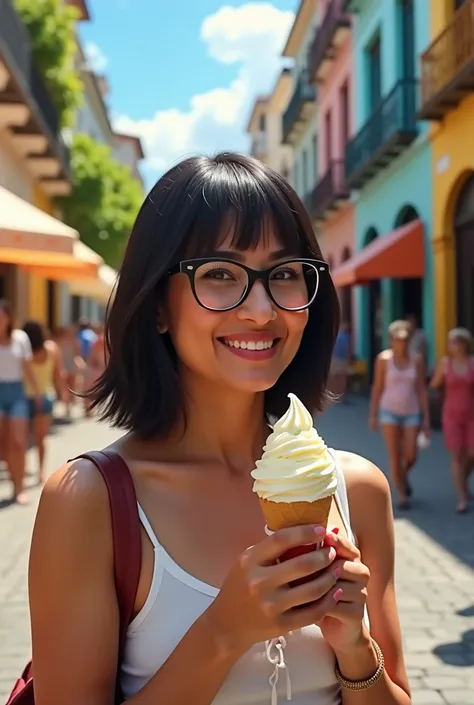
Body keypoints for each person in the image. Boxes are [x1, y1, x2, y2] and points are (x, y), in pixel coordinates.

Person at [29, 154, 410, 705]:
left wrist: (355, 649)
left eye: (283, 274)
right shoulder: (91, 501)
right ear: (158, 304)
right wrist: (223, 633)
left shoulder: (358, 489)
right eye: (220, 275)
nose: (260, 310)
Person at [369, 319, 430, 509]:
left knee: (411, 454)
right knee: (395, 454)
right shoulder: (384, 360)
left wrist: (426, 418)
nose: (401, 343)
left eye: (404, 339)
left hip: (411, 410)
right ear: (391, 340)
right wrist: (373, 414)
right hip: (389, 411)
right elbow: (377, 388)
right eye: (397, 339)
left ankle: (402, 476)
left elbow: (421, 388)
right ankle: (402, 493)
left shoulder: (416, 360)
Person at [0, 300, 41, 504]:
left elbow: (27, 367)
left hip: (16, 391)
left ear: (8, 317)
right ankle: (12, 476)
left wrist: (37, 391)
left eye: (2, 315)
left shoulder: (20, 338)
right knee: (3, 443)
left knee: (18, 441)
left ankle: (20, 487)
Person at [430, 328, 474, 513]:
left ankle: (463, 480)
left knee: (472, 453)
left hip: (471, 414)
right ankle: (462, 497)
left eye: (454, 342)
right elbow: (434, 383)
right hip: (452, 414)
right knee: (456, 455)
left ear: (464, 344)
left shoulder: (472, 362)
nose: (450, 346)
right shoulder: (445, 363)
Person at [23, 321, 67, 484]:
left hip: (24, 396)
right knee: (41, 438)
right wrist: (63, 393)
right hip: (47, 396)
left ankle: (24, 469)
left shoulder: (23, 351)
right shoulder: (52, 348)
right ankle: (41, 471)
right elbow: (59, 373)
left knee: (22, 438)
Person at [54, 325, 85, 418]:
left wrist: (79, 363)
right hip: (63, 364)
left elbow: (78, 353)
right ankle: (67, 405)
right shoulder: (59, 341)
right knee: (65, 385)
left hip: (71, 363)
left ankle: (69, 405)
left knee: (71, 385)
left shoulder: (74, 341)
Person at [330, 322, 351, 399]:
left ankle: (335, 394)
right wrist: (349, 359)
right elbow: (347, 349)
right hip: (343, 359)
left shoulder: (337, 336)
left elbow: (333, 348)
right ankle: (342, 396)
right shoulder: (346, 337)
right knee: (343, 379)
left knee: (335, 377)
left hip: (336, 359)